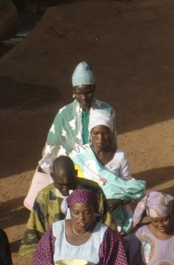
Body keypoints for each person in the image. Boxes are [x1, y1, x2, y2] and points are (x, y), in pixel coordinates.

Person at [30, 62, 115, 201]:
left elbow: (111, 142)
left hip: (99, 169)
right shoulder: (64, 113)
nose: (84, 98)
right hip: (71, 171)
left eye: (88, 92)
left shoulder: (106, 110)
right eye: (78, 93)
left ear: (94, 87)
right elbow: (53, 146)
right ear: (73, 91)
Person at [74, 120, 144, 231]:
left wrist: (119, 201)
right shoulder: (78, 155)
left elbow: (129, 188)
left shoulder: (120, 156)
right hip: (87, 214)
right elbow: (72, 186)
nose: (100, 138)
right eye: (96, 133)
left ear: (110, 134)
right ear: (90, 133)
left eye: (105, 133)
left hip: (115, 215)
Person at [20, 155, 101, 250]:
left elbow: (107, 222)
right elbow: (34, 234)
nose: (65, 189)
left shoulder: (93, 190)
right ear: (52, 176)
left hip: (91, 248)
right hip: (56, 252)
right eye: (60, 185)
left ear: (76, 174)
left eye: (70, 183)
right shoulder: (44, 197)